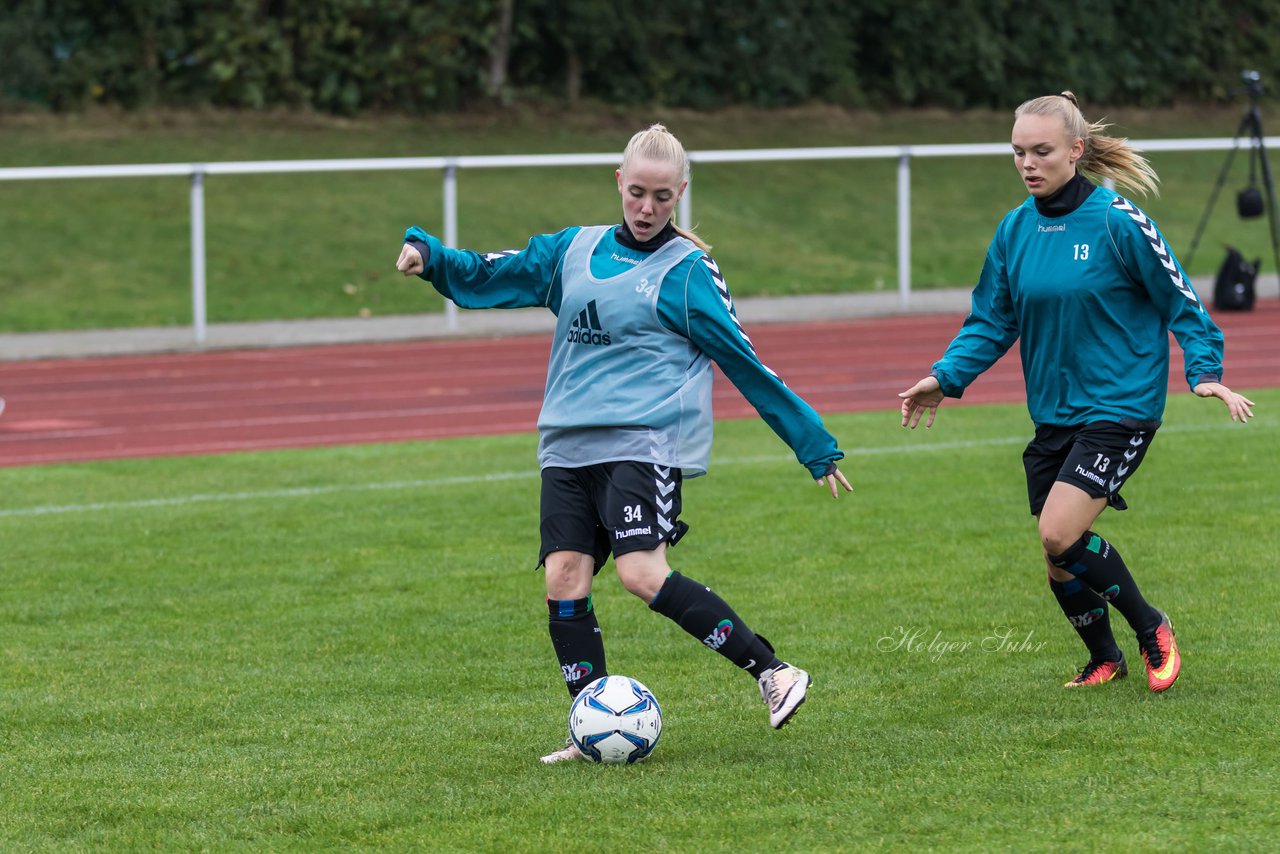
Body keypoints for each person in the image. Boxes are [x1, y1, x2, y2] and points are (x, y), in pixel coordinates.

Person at [396, 123, 851, 762]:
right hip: (566, 446)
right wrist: (431, 257)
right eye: (637, 192)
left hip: (643, 443)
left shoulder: (688, 271)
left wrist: (813, 444)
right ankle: (590, 729)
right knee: (563, 579)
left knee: (641, 574)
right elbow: (495, 272)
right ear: (618, 181)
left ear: (682, 193)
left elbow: (746, 362)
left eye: (662, 197)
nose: (646, 209)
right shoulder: (572, 250)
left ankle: (773, 671)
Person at [898, 92, 1254, 693]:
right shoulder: (1014, 230)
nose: (1027, 164)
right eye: (1017, 152)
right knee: (1058, 559)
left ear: (1076, 150)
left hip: (1121, 406)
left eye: (1041, 151)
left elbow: (1182, 301)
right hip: (1055, 413)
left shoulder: (1119, 221)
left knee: (1059, 533)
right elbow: (990, 320)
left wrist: (1204, 369)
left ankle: (1152, 628)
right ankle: (1104, 658)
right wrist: (946, 376)